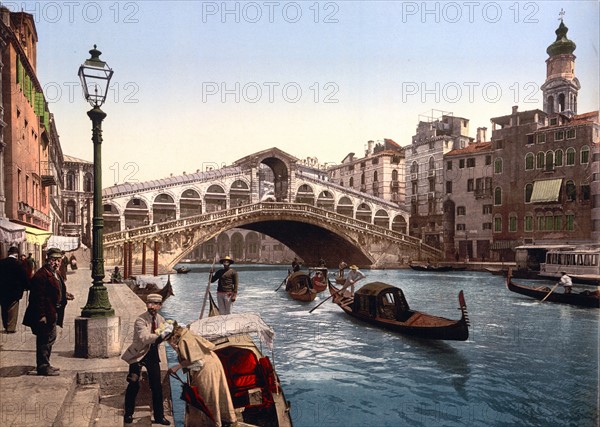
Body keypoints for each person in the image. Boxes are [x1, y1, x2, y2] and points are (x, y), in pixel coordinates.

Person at [167, 322, 237, 427]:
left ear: (172, 336)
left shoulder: (183, 341)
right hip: (213, 361)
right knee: (217, 391)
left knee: (206, 395)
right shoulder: (187, 334)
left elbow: (196, 361)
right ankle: (225, 418)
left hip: (206, 367)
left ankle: (211, 422)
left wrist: (176, 367)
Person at [121, 293, 173, 425]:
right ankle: (128, 413)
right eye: (150, 304)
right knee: (133, 383)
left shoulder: (161, 319)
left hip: (152, 354)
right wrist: (161, 335)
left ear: (160, 306)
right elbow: (144, 338)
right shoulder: (140, 320)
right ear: (146, 305)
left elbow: (168, 336)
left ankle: (159, 416)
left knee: (156, 386)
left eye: (156, 304)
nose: (153, 307)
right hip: (138, 354)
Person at [22, 248, 74, 376]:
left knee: (51, 338)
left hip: (52, 312)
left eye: (58, 260)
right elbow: (37, 298)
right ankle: (43, 367)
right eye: (53, 260)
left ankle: (46, 363)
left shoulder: (55, 273)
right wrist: (41, 315)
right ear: (48, 260)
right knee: (44, 339)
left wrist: (64, 295)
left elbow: (54, 289)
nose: (56, 263)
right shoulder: (41, 275)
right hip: (45, 314)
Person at [0, 246, 29, 333]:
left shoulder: (1, 263)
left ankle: (5, 325)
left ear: (9, 253)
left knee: (4, 308)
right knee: (12, 309)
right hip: (15, 291)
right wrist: (27, 286)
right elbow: (24, 277)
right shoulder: (19, 264)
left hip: (2, 291)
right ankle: (11, 327)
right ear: (16, 255)